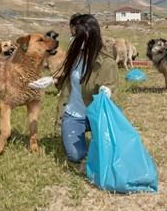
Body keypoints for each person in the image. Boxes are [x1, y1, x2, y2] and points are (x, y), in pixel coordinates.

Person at [30, 13, 118, 163]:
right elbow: (68, 77)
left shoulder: (107, 64)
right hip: (74, 115)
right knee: (75, 156)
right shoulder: (74, 56)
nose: (71, 39)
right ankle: (73, 129)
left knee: (108, 153)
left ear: (87, 35)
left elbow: (110, 90)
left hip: (95, 115)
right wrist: (52, 79)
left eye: (74, 35)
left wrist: (107, 91)